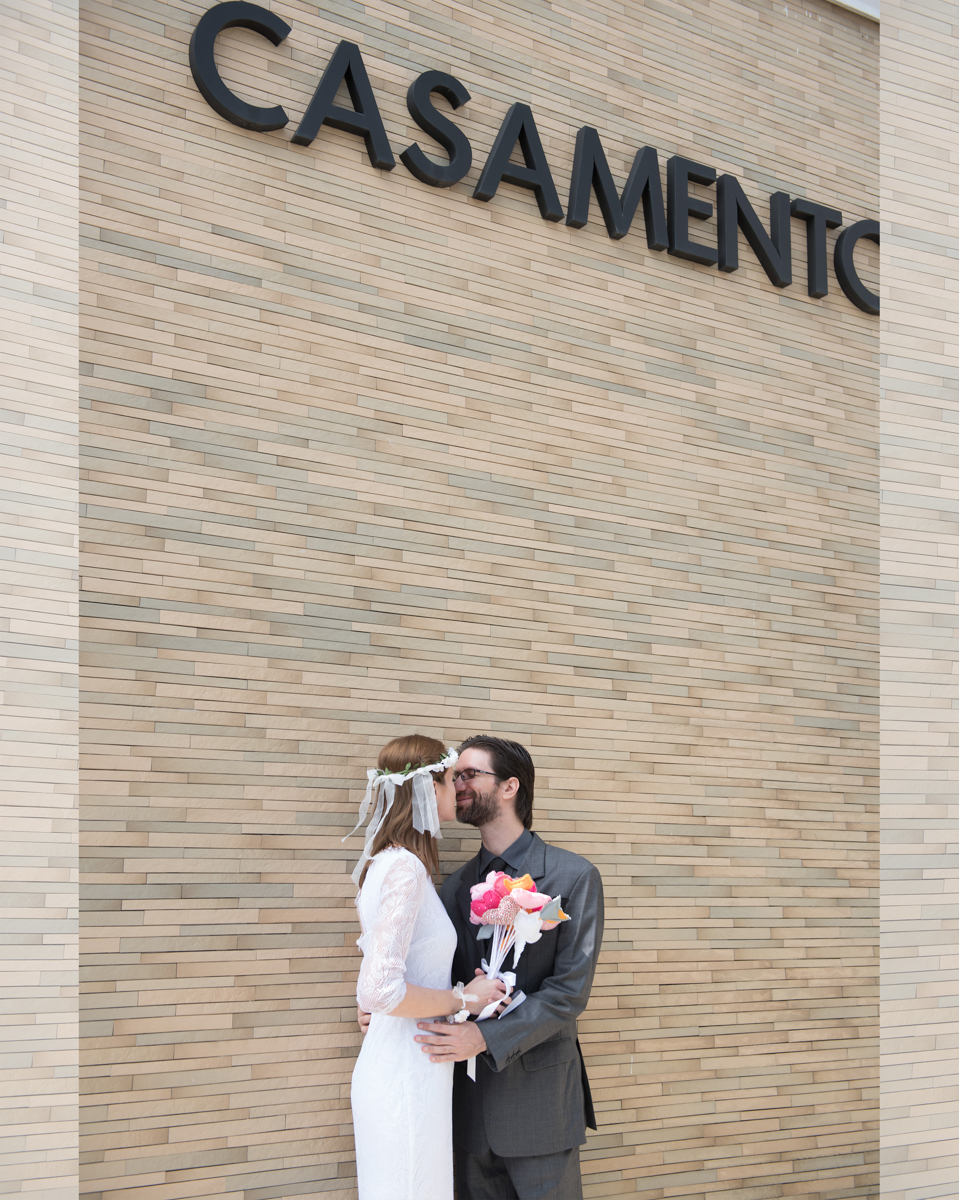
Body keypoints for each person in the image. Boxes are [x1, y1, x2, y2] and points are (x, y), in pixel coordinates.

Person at [414, 735, 605, 1200]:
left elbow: (568, 992)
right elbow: (443, 979)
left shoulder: (572, 875)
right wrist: (386, 1008)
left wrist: (484, 1036)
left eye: (468, 774)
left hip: (539, 1104)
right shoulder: (456, 884)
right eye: (454, 775)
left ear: (509, 787)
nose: (456, 783)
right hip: (466, 1106)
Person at [347, 734, 508, 1200]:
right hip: (404, 1074)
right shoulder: (405, 870)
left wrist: (460, 994)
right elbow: (380, 990)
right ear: (426, 788)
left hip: (410, 1062)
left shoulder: (385, 864)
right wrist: (464, 998)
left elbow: (386, 980)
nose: (457, 787)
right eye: (450, 779)